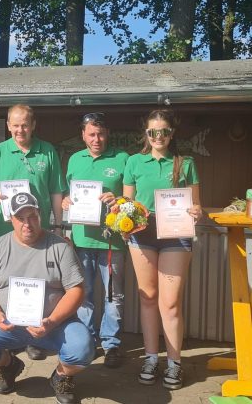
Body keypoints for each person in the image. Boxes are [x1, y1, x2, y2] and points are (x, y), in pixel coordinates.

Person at [0, 192, 94, 404]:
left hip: (54, 325)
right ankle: (8, 366)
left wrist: (52, 321)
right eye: (20, 218)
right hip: (7, 323)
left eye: (32, 216)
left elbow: (76, 291)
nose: (27, 223)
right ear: (11, 219)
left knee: (82, 350)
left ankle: (61, 376)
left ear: (40, 215)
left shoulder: (60, 247)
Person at [123, 109, 202, 390]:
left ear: (172, 133)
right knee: (148, 298)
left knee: (170, 303)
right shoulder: (133, 162)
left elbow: (196, 204)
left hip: (176, 233)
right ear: (146, 134)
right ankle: (150, 358)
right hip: (142, 234)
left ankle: (174, 363)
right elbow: (127, 204)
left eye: (164, 131)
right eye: (153, 132)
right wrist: (122, 216)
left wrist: (196, 210)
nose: (159, 136)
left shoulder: (186, 163)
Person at [0, 103, 66, 361]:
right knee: (6, 283)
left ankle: (35, 338)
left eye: (24, 125)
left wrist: (58, 225)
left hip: (38, 232)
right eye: (15, 125)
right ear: (8, 126)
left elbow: (56, 190)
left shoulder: (47, 151)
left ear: (33, 126)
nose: (20, 130)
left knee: (37, 282)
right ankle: (10, 335)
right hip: (6, 231)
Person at [62, 112, 129, 368]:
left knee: (114, 296)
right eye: (91, 134)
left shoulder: (122, 158)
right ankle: (87, 342)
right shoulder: (75, 160)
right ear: (83, 135)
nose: (96, 139)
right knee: (84, 294)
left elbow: (130, 199)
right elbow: (68, 193)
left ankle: (111, 344)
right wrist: (66, 201)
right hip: (82, 240)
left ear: (107, 133)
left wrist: (118, 200)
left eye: (100, 134)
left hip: (112, 241)